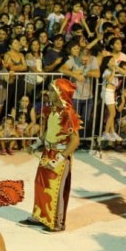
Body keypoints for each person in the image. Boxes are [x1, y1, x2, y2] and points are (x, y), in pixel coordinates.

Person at [21, 79, 80, 233]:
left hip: (59, 155)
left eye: (53, 90)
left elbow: (75, 140)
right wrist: (35, 145)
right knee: (40, 184)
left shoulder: (68, 114)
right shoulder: (52, 110)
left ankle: (57, 223)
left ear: (61, 93)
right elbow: (48, 131)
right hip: (47, 152)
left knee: (55, 189)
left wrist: (60, 159)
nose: (49, 93)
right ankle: (39, 216)